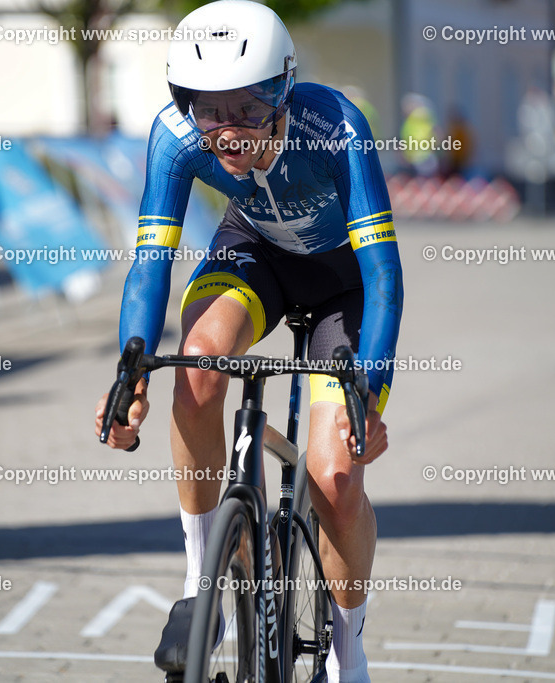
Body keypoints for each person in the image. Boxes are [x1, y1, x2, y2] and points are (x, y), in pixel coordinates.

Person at [94, 2, 403, 681]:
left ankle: (349, 648)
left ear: (284, 92)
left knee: (336, 479)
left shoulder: (337, 127)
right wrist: (132, 371)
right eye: (209, 110)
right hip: (253, 257)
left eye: (249, 110)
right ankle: (201, 577)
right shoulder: (175, 137)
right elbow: (151, 261)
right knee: (197, 367)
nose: (227, 133)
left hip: (338, 288)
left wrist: (369, 398)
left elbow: (383, 274)